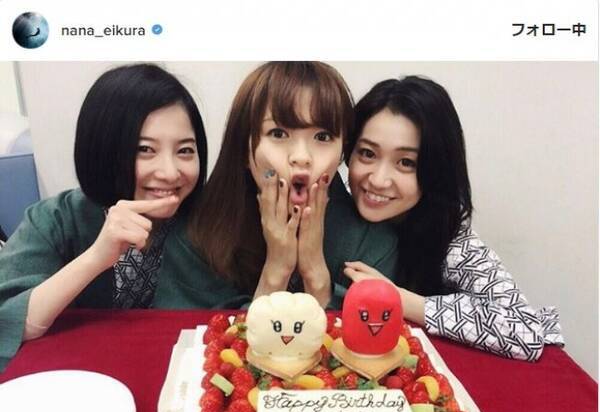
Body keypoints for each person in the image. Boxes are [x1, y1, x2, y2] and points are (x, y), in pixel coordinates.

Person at [0, 63, 245, 373]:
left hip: (177, 384)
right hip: (74, 381)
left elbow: (241, 322)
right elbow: (8, 321)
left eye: (184, 151)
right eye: (145, 149)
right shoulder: (54, 219)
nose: (170, 172)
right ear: (104, 149)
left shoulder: (211, 223)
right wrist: (96, 258)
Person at [342, 76, 563, 361]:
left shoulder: (451, 238)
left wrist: (398, 299)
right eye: (367, 153)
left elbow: (524, 330)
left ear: (436, 169)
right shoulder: (330, 203)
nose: (378, 180)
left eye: (406, 162)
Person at [187, 61, 398, 309]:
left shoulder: (373, 241)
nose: (301, 157)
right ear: (244, 147)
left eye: (322, 137)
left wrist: (315, 275)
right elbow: (186, 330)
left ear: (342, 150)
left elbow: (373, 328)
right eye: (278, 134)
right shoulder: (196, 232)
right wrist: (276, 271)